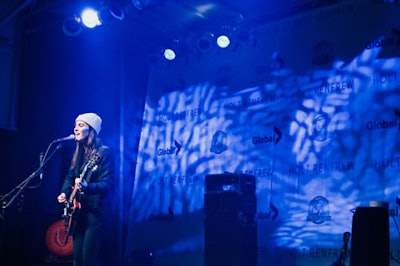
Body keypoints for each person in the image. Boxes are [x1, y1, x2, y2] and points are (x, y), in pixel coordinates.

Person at [57, 112, 115, 266]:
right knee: (77, 258)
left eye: (81, 125)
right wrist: (64, 192)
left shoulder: (104, 153)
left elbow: (108, 184)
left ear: (92, 131)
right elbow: (70, 177)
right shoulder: (78, 154)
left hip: (96, 212)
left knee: (90, 258)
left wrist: (88, 187)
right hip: (79, 212)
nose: (76, 129)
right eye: (75, 125)